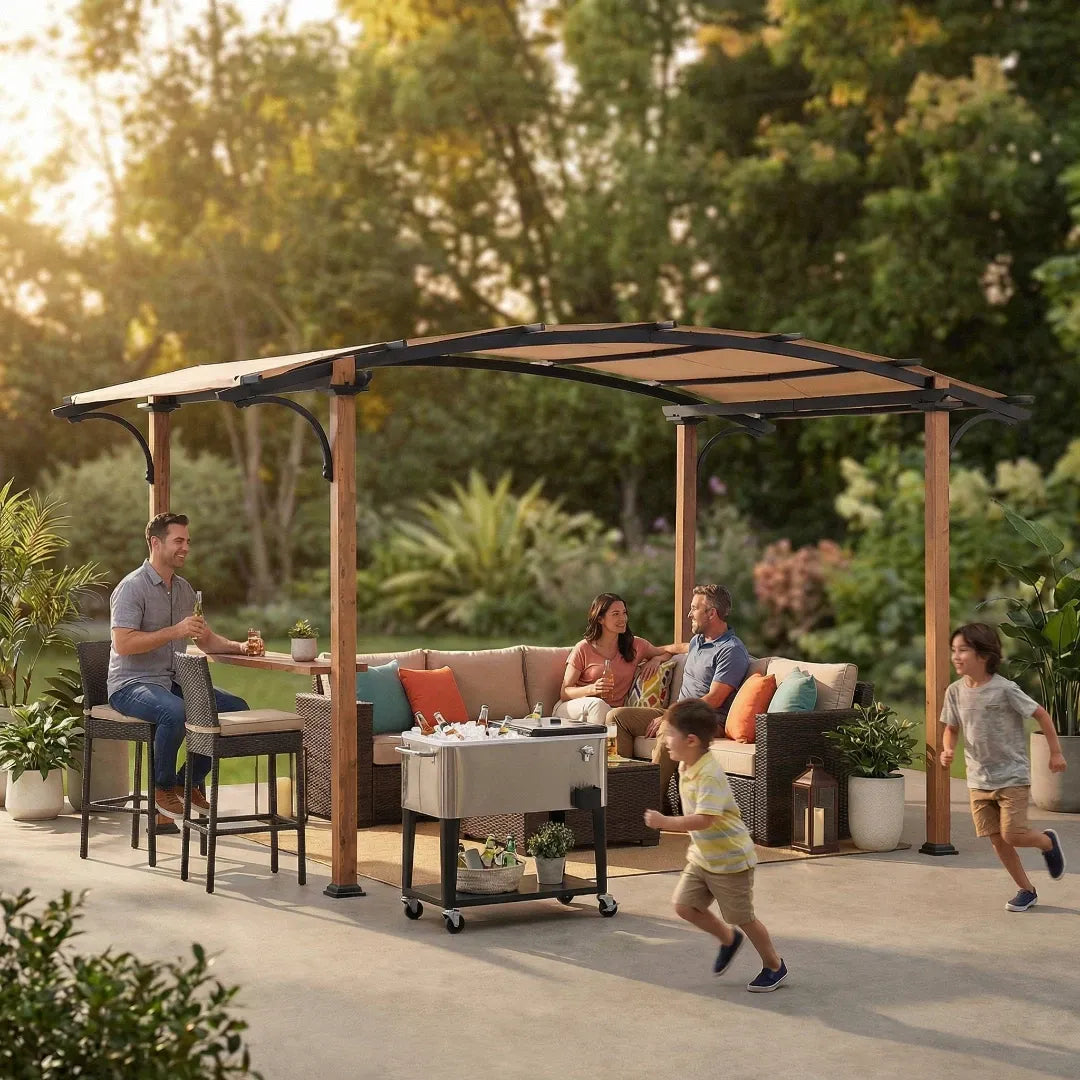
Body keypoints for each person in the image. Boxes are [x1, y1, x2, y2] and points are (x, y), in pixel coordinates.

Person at [108, 512, 250, 822]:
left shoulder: (184, 589)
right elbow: (123, 644)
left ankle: (188, 782)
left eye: (188, 541)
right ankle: (162, 789)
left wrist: (240, 646)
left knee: (236, 708)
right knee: (174, 712)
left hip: (170, 682)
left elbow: (205, 638)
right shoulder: (131, 588)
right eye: (179, 541)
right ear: (155, 543)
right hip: (131, 685)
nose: (185, 547)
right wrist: (176, 631)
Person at [644, 699, 787, 992]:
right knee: (684, 906)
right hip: (704, 857)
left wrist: (664, 822)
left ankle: (774, 964)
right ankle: (728, 938)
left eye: (669, 733)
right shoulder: (686, 763)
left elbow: (703, 820)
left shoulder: (709, 774)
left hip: (730, 860)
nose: (664, 739)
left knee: (743, 918)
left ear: (691, 740)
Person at [940, 622, 1067, 912]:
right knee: (997, 840)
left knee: (1013, 834)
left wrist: (1056, 753)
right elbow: (951, 727)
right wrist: (948, 749)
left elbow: (1042, 715)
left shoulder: (1005, 689)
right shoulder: (955, 692)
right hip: (978, 780)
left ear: (984, 655)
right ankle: (1026, 889)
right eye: (953, 650)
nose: (956, 656)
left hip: (1011, 776)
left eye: (963, 650)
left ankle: (1047, 842)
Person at [608, 584, 750, 793]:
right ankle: (626, 790)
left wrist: (670, 715)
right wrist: (658, 657)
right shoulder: (698, 641)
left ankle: (650, 798)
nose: (689, 614)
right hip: (678, 713)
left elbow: (714, 699)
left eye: (694, 608)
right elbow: (674, 648)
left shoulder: (731, 650)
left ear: (712, 613)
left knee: (668, 729)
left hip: (706, 720)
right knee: (617, 717)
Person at [553, 593, 673, 727]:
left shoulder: (635, 645)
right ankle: (597, 747)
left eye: (624, 613)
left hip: (611, 714)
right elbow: (565, 692)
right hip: (572, 709)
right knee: (598, 706)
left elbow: (670, 650)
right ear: (600, 619)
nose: (623, 619)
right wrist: (592, 689)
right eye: (615, 614)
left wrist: (656, 659)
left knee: (610, 714)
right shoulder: (583, 648)